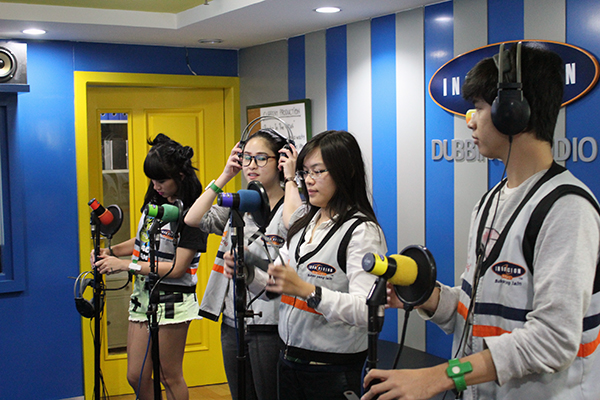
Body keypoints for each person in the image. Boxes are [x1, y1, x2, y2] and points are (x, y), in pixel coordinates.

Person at [362, 43, 600, 399]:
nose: (470, 120)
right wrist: (428, 298)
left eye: (479, 108)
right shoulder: (490, 202)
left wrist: (443, 375)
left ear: (512, 111)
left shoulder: (567, 208)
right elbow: (473, 313)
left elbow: (554, 340)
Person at [228, 130, 388, 399]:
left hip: (332, 370)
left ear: (345, 172)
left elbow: (369, 312)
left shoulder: (361, 231)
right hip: (289, 361)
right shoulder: (304, 224)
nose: (309, 180)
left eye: (318, 171)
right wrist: (248, 273)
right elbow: (274, 288)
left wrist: (307, 290)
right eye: (304, 172)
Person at [184, 128, 301, 400]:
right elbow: (193, 218)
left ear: (281, 160)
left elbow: (295, 226)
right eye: (246, 158)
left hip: (271, 323)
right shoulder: (239, 202)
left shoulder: (292, 205)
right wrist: (225, 175)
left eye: (261, 158)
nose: (251, 165)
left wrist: (291, 179)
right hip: (233, 320)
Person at [92, 134, 208, 400]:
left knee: (169, 376)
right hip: (143, 296)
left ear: (180, 175)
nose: (156, 186)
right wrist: (111, 251)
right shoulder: (155, 200)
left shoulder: (193, 213)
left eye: (161, 181)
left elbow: (177, 268)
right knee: (136, 375)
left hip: (173, 299)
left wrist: (125, 265)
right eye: (152, 180)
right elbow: (142, 239)